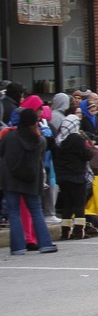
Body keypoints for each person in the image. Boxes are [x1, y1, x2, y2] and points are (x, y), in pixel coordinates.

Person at [0, 108, 58, 255]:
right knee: (36, 211)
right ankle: (44, 243)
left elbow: (2, 152)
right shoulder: (39, 140)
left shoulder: (9, 137)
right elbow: (44, 151)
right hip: (31, 179)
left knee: (14, 212)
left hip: (11, 178)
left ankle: (18, 247)